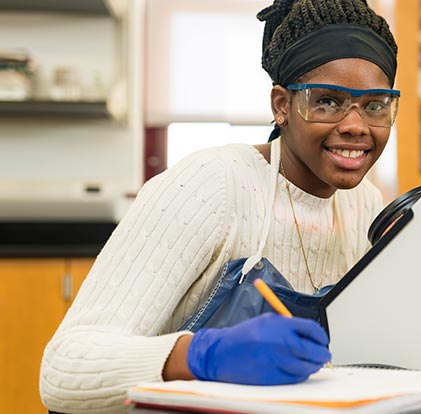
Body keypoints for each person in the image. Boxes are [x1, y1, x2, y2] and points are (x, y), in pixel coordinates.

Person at [39, 0, 399, 411]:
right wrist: (202, 356)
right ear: (282, 105)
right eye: (328, 101)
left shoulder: (365, 205)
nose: (355, 125)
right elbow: (64, 370)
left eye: (375, 105)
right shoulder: (212, 185)